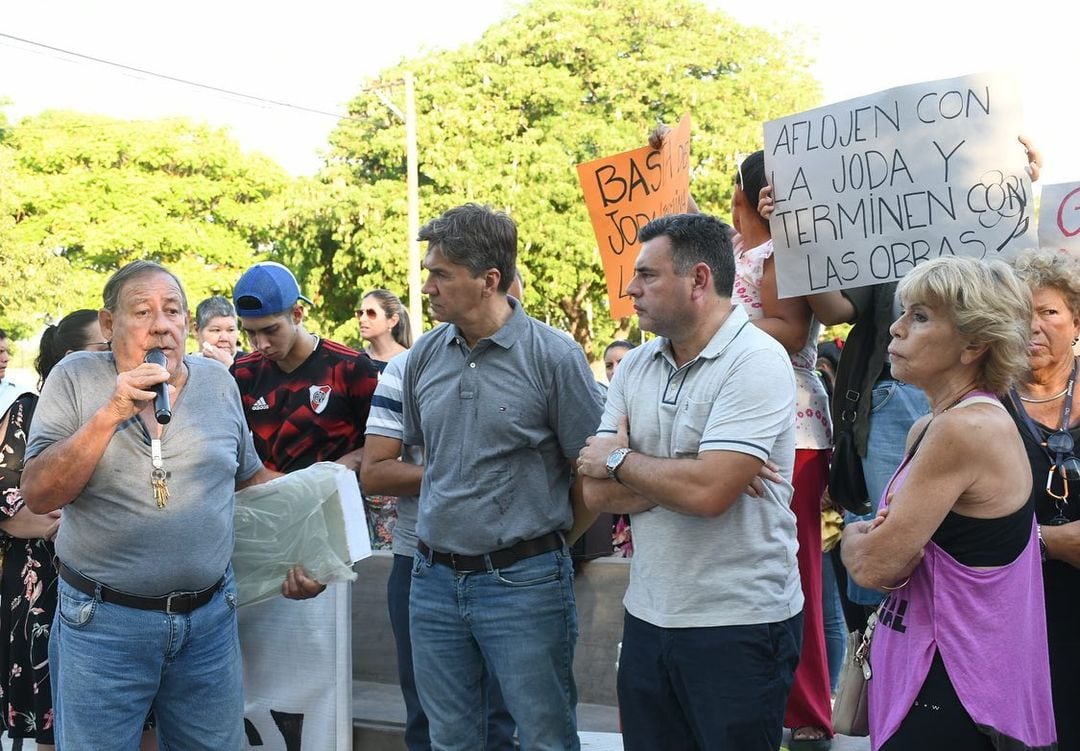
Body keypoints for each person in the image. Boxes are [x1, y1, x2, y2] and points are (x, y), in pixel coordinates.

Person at [20, 261, 275, 750]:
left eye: (173, 310)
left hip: (209, 623)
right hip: (103, 626)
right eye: (143, 311)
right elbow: (40, 493)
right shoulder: (75, 377)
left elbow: (252, 483)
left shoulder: (219, 383)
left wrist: (307, 540)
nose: (162, 324)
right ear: (111, 324)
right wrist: (110, 414)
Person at [578, 213, 803, 751]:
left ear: (699, 280)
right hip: (649, 617)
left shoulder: (757, 360)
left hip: (740, 624)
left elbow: (708, 494)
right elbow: (594, 491)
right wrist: (694, 468)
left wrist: (623, 460)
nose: (630, 289)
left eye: (647, 275)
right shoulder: (634, 367)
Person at [397, 203, 603, 750]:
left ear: (489, 280)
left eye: (440, 273)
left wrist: (551, 547)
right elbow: (435, 457)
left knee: (545, 739)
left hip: (525, 583)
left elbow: (592, 472)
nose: (427, 287)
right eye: (428, 272)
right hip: (434, 581)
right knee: (451, 741)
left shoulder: (554, 356)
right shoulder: (423, 356)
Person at [842, 256, 1056, 750]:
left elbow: (876, 566)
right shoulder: (936, 425)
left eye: (920, 316)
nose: (895, 329)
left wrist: (856, 540)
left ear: (974, 344)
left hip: (953, 684)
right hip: (932, 670)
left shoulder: (966, 427)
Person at [230, 260, 380, 748]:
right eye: (250, 334)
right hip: (260, 539)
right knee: (259, 674)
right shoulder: (242, 373)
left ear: (298, 313)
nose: (260, 345)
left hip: (326, 534)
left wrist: (324, 478)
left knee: (320, 665)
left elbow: (378, 450)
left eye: (270, 330)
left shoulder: (351, 368)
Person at [361, 350, 517, 751]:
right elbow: (374, 471)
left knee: (500, 717)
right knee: (428, 715)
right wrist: (457, 476)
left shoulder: (540, 357)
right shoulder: (406, 367)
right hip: (420, 559)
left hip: (512, 563)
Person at [731, 150, 834, 749]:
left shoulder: (778, 255)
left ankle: (808, 712)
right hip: (752, 430)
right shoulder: (739, 253)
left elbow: (791, 330)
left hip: (790, 434)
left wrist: (712, 322)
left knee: (796, 574)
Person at [0, 310, 112, 749]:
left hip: (110, 591)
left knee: (133, 719)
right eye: (103, 349)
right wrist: (68, 524)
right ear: (70, 359)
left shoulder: (117, 412)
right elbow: (9, 502)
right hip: (42, 592)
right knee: (51, 723)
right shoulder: (29, 410)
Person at [1006, 249, 1080, 748]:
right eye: (1018, 312)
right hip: (1015, 615)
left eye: (1049, 311)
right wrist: (1049, 542)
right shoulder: (981, 405)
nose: (1032, 325)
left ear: (1076, 322)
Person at [357, 288, 412, 371]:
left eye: (371, 313)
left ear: (392, 321)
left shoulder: (409, 362)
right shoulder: (355, 360)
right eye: (360, 313)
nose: (362, 319)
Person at [193, 295, 242, 367]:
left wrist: (230, 366)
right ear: (196, 331)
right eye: (216, 330)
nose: (224, 338)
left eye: (231, 330)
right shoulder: (185, 368)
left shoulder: (252, 366)